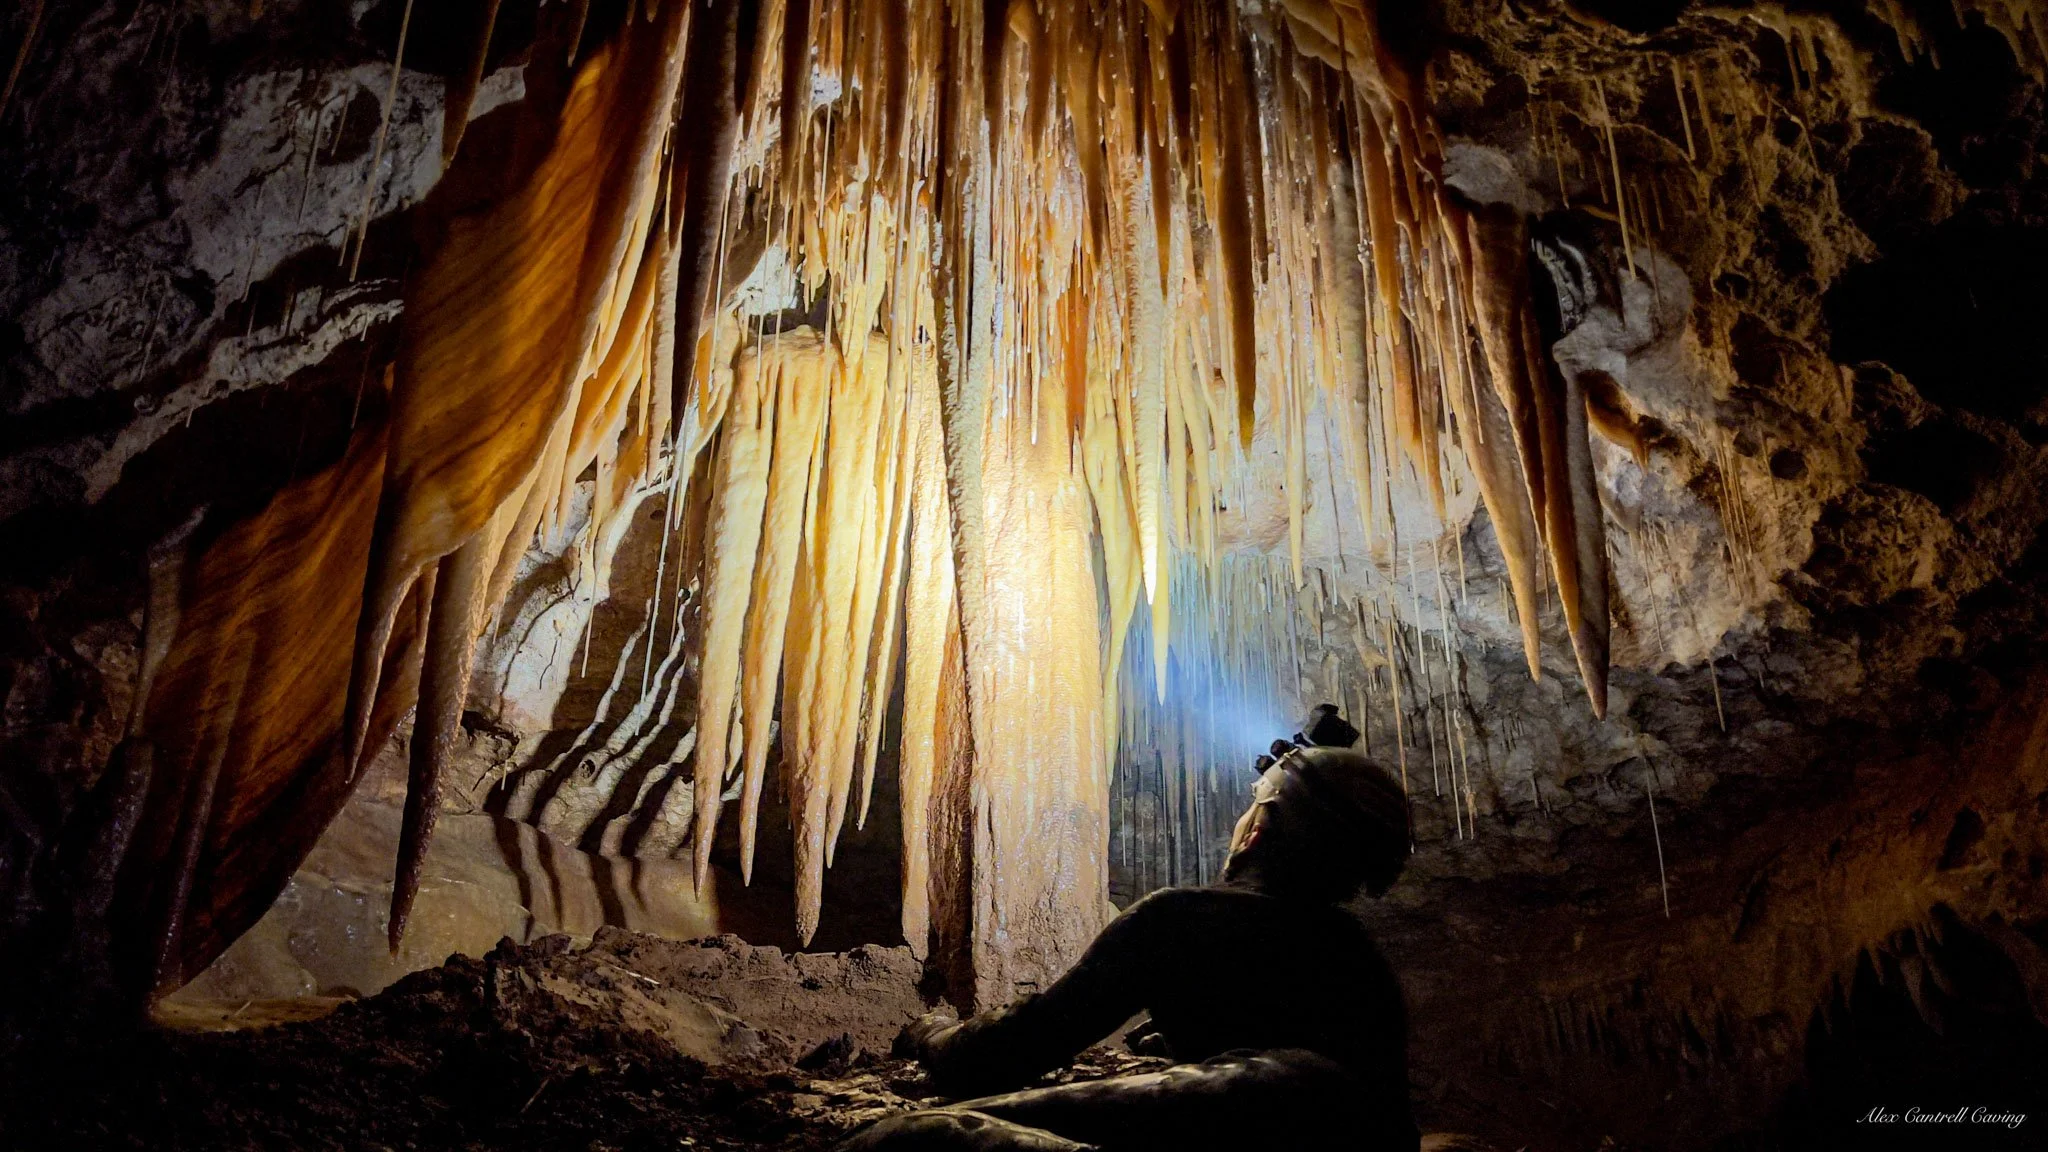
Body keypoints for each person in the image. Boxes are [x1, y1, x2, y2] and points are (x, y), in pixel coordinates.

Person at [841, 706, 1419, 1152]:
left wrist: (931, 1035)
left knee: (910, 1139)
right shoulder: (1360, 955)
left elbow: (1010, 1051)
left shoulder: (1181, 918)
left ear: (1257, 831)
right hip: (1354, 1135)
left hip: (1262, 1107)